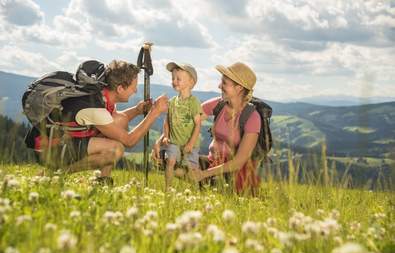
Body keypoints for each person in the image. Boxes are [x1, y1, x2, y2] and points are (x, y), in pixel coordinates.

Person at [34, 60, 168, 183]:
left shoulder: (102, 96)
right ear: (120, 88)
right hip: (51, 150)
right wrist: (155, 112)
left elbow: (116, 120)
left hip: (64, 141)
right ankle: (55, 174)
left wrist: (138, 110)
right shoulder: (95, 107)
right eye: (133, 86)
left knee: (119, 120)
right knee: (116, 149)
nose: (135, 90)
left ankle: (103, 180)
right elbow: (129, 141)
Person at [154, 62, 261, 194]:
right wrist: (162, 139)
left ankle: (209, 187)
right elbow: (183, 122)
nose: (219, 86)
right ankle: (205, 186)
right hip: (211, 163)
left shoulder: (252, 117)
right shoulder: (218, 104)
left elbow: (239, 161)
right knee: (168, 158)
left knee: (219, 186)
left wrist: (204, 174)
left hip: (235, 173)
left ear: (239, 88)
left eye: (224, 83)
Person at [156, 62, 202, 190]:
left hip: (190, 143)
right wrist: (165, 136)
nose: (174, 81)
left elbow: (198, 124)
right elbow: (167, 120)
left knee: (191, 170)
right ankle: (167, 189)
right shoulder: (172, 102)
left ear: (191, 82)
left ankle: (195, 190)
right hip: (174, 141)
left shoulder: (194, 102)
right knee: (170, 161)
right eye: (173, 78)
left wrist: (191, 144)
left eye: (178, 79)